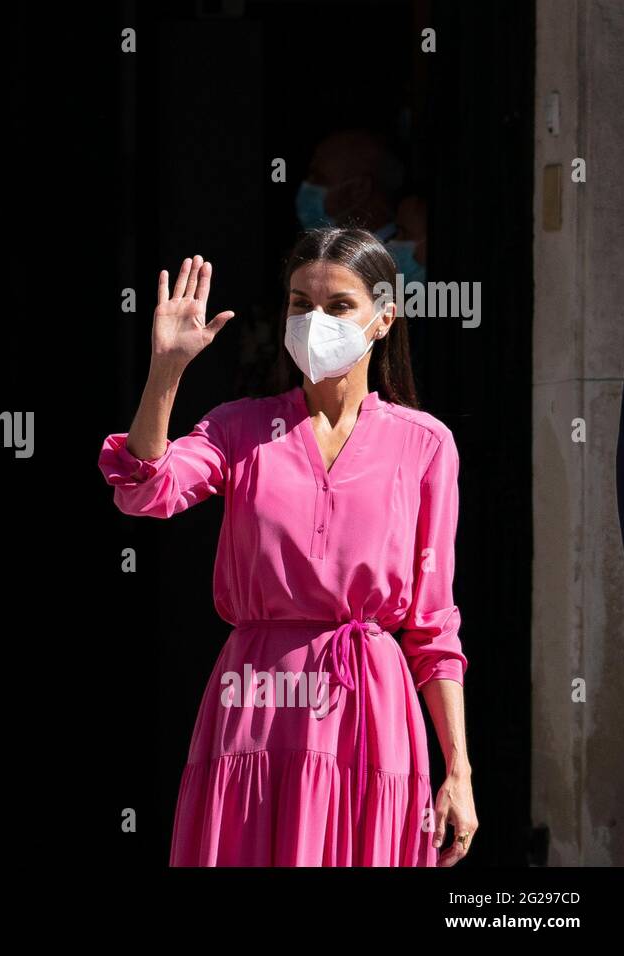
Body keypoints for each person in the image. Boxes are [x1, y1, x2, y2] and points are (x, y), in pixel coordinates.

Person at [97, 228, 477, 865]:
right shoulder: (239, 427)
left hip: (371, 714)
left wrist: (459, 773)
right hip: (258, 702)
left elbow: (434, 628)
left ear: (384, 319)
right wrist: (166, 371)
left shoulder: (425, 444)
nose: (315, 320)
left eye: (338, 306)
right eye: (301, 304)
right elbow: (143, 490)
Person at [295, 129, 427, 283]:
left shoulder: (407, 267)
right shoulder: (318, 255)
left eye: (319, 178)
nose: (306, 186)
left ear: (359, 189)